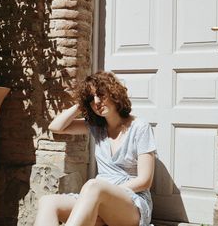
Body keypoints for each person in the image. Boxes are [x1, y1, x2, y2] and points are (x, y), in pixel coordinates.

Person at [34, 71, 157, 226]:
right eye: (91, 99)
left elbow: (145, 181)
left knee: (94, 185)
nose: (97, 102)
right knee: (48, 202)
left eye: (101, 95)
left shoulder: (140, 127)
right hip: (94, 196)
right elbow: (55, 127)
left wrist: (105, 192)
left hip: (131, 202)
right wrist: (81, 104)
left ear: (114, 94)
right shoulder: (97, 127)